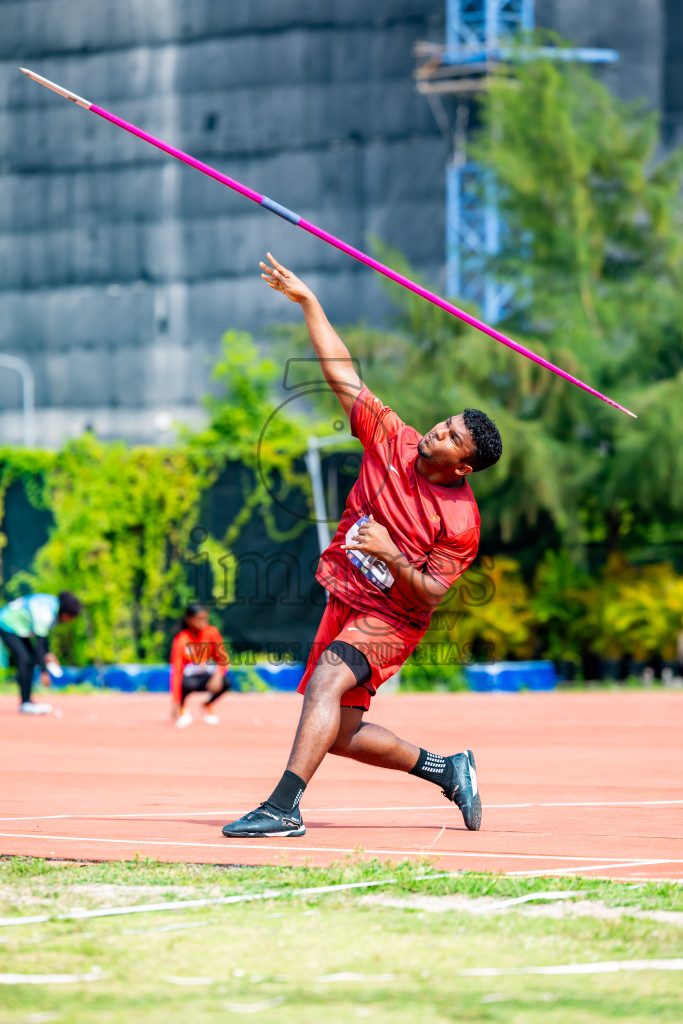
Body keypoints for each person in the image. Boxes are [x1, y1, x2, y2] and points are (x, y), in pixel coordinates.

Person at [222, 254, 503, 839]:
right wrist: (309, 302)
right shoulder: (391, 437)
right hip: (345, 597)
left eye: (451, 437)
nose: (437, 431)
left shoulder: (461, 520)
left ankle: (282, 808)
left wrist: (390, 553)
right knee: (339, 731)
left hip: (393, 618)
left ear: (465, 465)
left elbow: (429, 597)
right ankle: (447, 770)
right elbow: (343, 372)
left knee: (325, 682)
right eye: (443, 422)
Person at [0, 591, 81, 715]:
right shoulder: (46, 613)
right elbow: (40, 646)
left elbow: (43, 639)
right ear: (66, 613)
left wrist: (48, 654)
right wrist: (44, 671)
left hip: (19, 628)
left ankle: (27, 701)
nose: (69, 621)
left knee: (29, 660)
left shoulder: (52, 605)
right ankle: (25, 702)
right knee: (24, 660)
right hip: (7, 623)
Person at [170, 604, 231, 728]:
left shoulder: (211, 632)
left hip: (206, 677)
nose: (203, 622)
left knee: (225, 682)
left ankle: (207, 705)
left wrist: (219, 674)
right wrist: (175, 702)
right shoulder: (182, 639)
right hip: (189, 679)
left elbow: (223, 658)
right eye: (199, 619)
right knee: (184, 683)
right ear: (189, 619)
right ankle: (182, 707)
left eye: (205, 618)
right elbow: (176, 671)